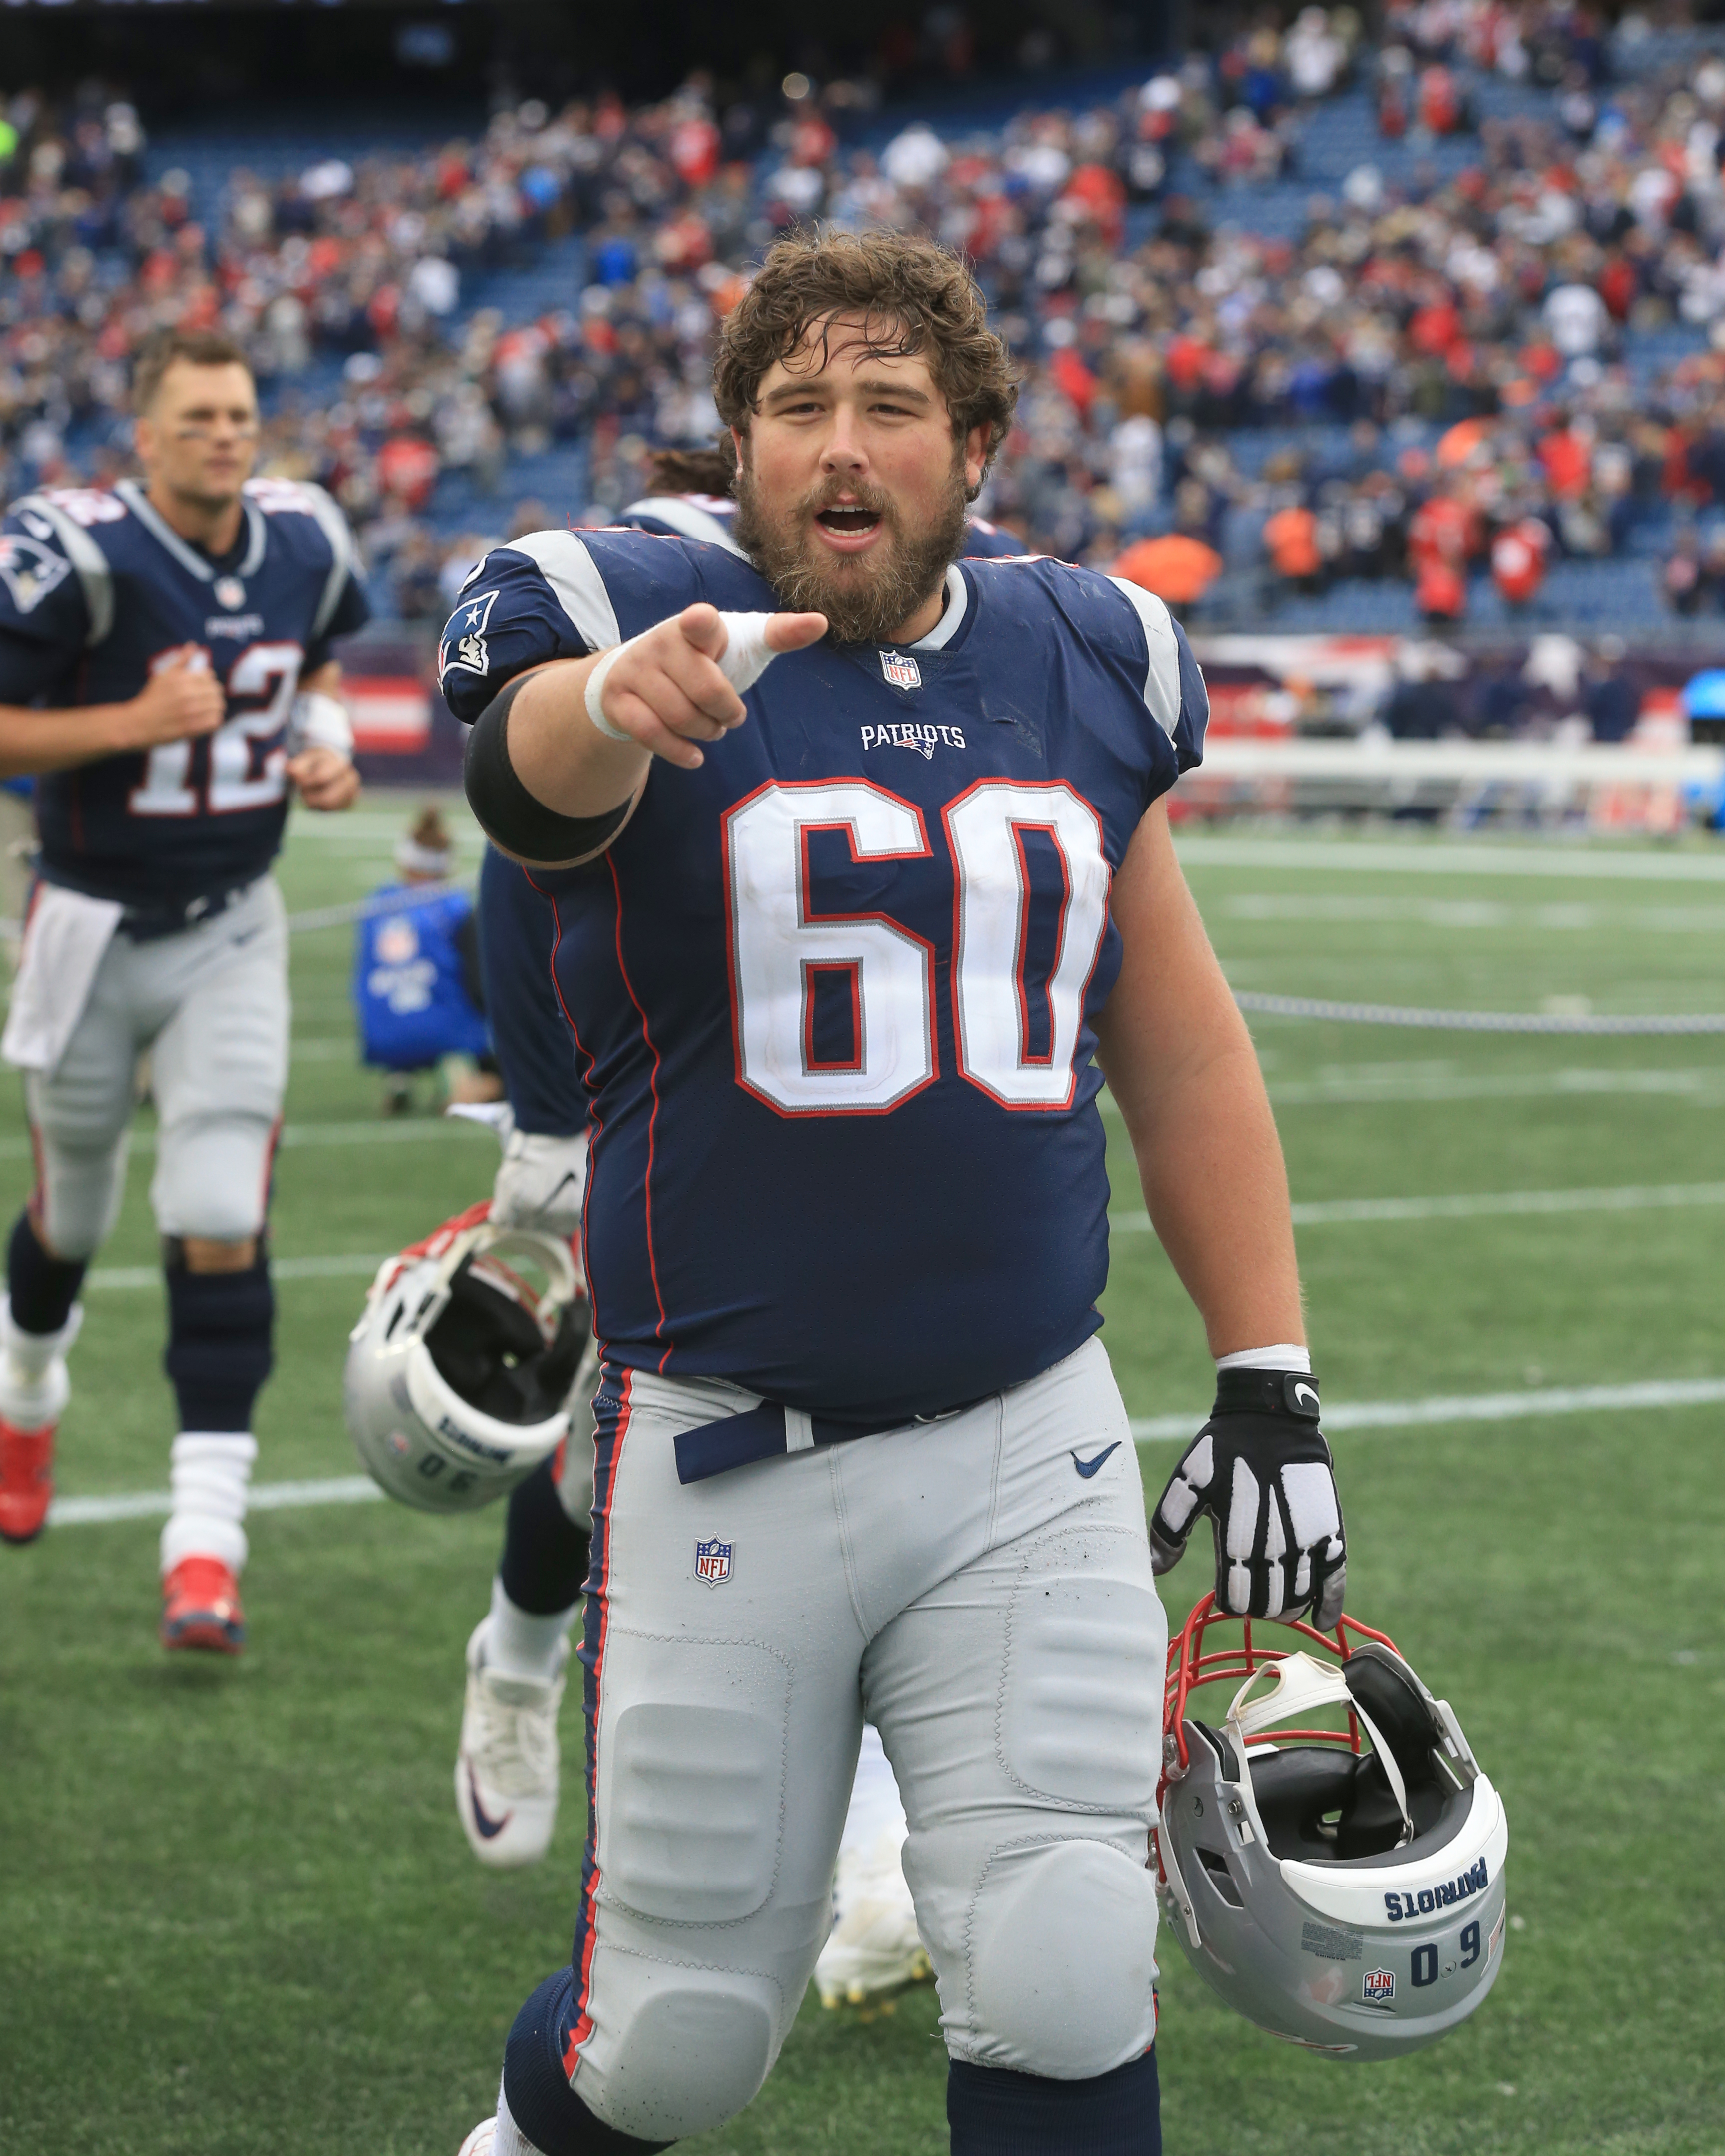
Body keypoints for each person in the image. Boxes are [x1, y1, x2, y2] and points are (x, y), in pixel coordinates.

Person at [442, 230, 1344, 2156]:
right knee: (674, 2034)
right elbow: (524, 789)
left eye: (888, 408)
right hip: (723, 1447)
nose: (839, 450)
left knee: (1067, 1960)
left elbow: (1177, 1046)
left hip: (1030, 1442)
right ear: (738, 445)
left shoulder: (1081, 650)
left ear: (976, 443)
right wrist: (610, 702)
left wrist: (1267, 1368)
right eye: (795, 409)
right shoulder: (630, 617)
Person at [0, 326, 366, 1653]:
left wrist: (321, 748)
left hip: (231, 922)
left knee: (219, 1209)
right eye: (198, 416)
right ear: (143, 439)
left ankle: (204, 1547)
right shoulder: (80, 551)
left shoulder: (306, 537)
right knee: (72, 1211)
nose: (226, 433)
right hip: (89, 926)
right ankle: (26, 1390)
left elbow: (315, 670)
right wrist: (123, 726)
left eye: (240, 412)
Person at [354, 803, 495, 1114]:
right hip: (445, 1031)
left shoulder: (377, 905)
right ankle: (459, 1076)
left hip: (382, 1034)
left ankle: (399, 1077)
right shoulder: (455, 908)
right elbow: (478, 983)